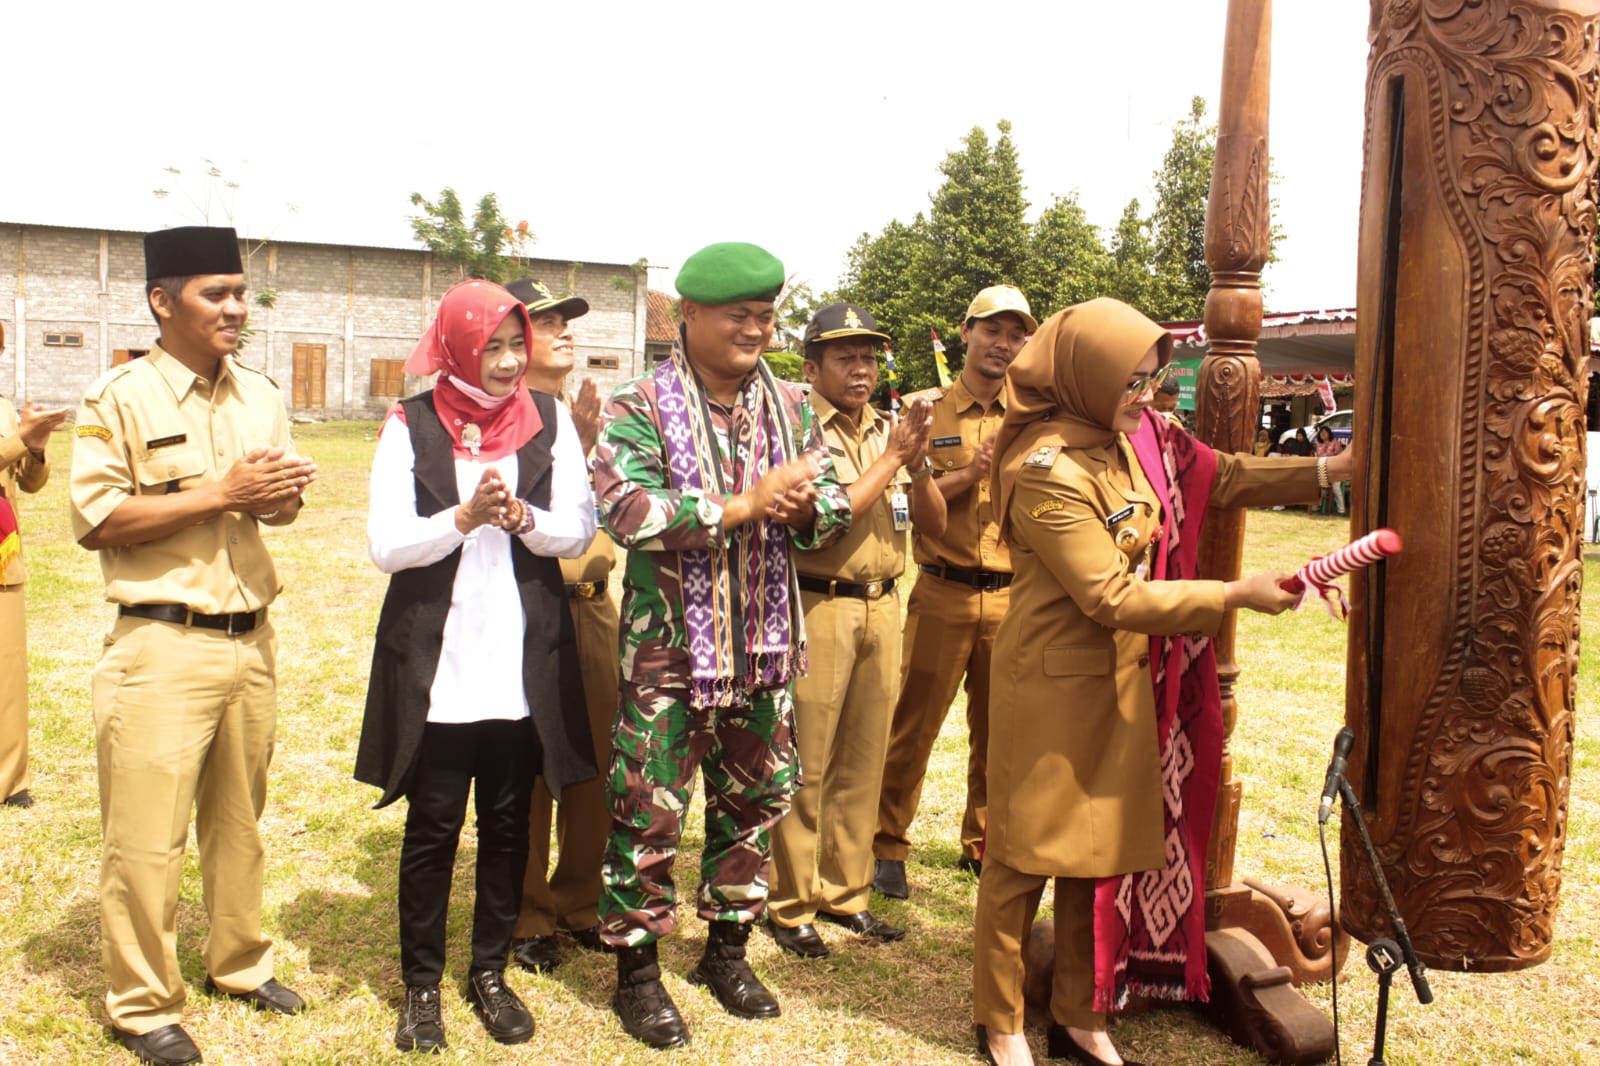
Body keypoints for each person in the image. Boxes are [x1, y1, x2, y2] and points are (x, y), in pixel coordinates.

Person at [973, 298, 1353, 1066]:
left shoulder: (1120, 445)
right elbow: (1109, 594)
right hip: (1051, 687)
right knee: (1022, 863)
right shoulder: (1045, 467)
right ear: (1083, 377)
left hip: (1116, 682)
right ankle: (1001, 1024)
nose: (1145, 396)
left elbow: (1222, 475)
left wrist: (1324, 472)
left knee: (1095, 855)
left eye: (1151, 379)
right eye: (1130, 382)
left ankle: (1081, 1021)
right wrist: (1231, 594)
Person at [591, 241, 850, 1049]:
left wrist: (807, 509)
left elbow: (835, 506)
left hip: (763, 649)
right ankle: (636, 973)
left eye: (766, 317)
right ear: (689, 316)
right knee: (649, 807)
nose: (755, 329)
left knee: (753, 804)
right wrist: (741, 507)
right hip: (669, 653)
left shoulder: (793, 406)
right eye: (738, 315)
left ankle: (726, 954)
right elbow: (627, 511)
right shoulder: (638, 403)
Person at [70, 226, 318, 1066]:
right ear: (161, 301)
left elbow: (272, 509)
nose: (237, 309)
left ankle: (239, 964)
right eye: (217, 294)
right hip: (160, 645)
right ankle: (142, 1005)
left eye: (242, 293)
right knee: (145, 836)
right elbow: (98, 521)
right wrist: (225, 491)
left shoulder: (259, 393)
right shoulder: (119, 397)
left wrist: (277, 497)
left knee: (240, 823)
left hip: (251, 638)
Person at [356, 279, 597, 1053]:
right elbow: (388, 545)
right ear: (456, 346)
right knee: (431, 829)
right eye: (489, 347)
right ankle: (421, 986)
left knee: (505, 824)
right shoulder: (412, 422)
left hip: (518, 664)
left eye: (514, 345)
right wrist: (461, 520)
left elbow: (579, 529)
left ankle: (489, 972)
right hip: (440, 662)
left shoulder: (548, 420)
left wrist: (524, 518)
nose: (505, 362)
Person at [767, 303, 946, 959]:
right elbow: (825, 521)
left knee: (865, 759)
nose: (861, 368)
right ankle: (788, 906)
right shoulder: (797, 429)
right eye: (845, 356)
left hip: (882, 603)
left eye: (869, 356)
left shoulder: (887, 430)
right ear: (812, 366)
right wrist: (893, 456)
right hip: (820, 601)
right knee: (806, 761)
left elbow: (937, 527)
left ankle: (847, 894)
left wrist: (918, 463)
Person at [873, 284, 1035, 900]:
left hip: (1014, 594)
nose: (1004, 344)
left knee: (1002, 733)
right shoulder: (923, 410)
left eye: (1017, 334)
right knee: (913, 728)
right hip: (944, 590)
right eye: (993, 329)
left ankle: (984, 845)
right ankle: (887, 845)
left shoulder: (1034, 415)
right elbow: (903, 510)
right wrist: (975, 471)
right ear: (965, 332)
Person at [499, 277, 620, 973]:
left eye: (566, 320)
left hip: (595, 606)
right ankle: (527, 911)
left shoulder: (596, 413)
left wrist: (588, 440)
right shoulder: (496, 418)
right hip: (530, 605)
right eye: (546, 322)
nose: (563, 331)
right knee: (531, 769)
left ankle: (580, 900)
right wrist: (562, 445)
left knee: (595, 764)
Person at [1, 320, 69, 810]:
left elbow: (31, 483)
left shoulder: (3, 409)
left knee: (7, 675)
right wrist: (19, 438)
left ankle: (10, 780)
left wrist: (37, 444)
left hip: (4, 557)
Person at [1314, 425, 1347, 515]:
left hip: (1335, 469)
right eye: (1321, 433)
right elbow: (1317, 457)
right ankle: (1316, 507)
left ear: (1329, 433)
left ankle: (1341, 510)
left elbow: (1339, 456)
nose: (1323, 434)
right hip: (1322, 469)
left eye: (1325, 432)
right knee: (1316, 485)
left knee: (1336, 488)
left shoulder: (1335, 443)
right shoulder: (1318, 444)